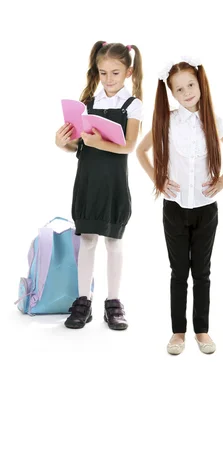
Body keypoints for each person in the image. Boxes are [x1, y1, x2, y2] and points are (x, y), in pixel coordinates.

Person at [136, 58, 223, 355]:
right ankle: (178, 333)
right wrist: (159, 179)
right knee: (179, 271)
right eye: (179, 89)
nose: (187, 92)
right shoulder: (167, 121)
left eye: (190, 85)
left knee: (203, 272)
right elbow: (141, 151)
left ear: (200, 83)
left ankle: (202, 330)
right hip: (175, 208)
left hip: (206, 208)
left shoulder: (214, 121)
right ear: (172, 93)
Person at [55, 41, 143, 331]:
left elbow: (129, 145)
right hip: (88, 180)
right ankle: (83, 300)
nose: (109, 79)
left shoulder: (133, 105)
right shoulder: (88, 104)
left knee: (114, 242)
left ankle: (114, 303)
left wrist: (99, 141)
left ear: (128, 72)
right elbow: (77, 146)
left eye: (115, 73)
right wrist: (63, 142)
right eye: (103, 72)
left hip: (114, 182)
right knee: (88, 241)